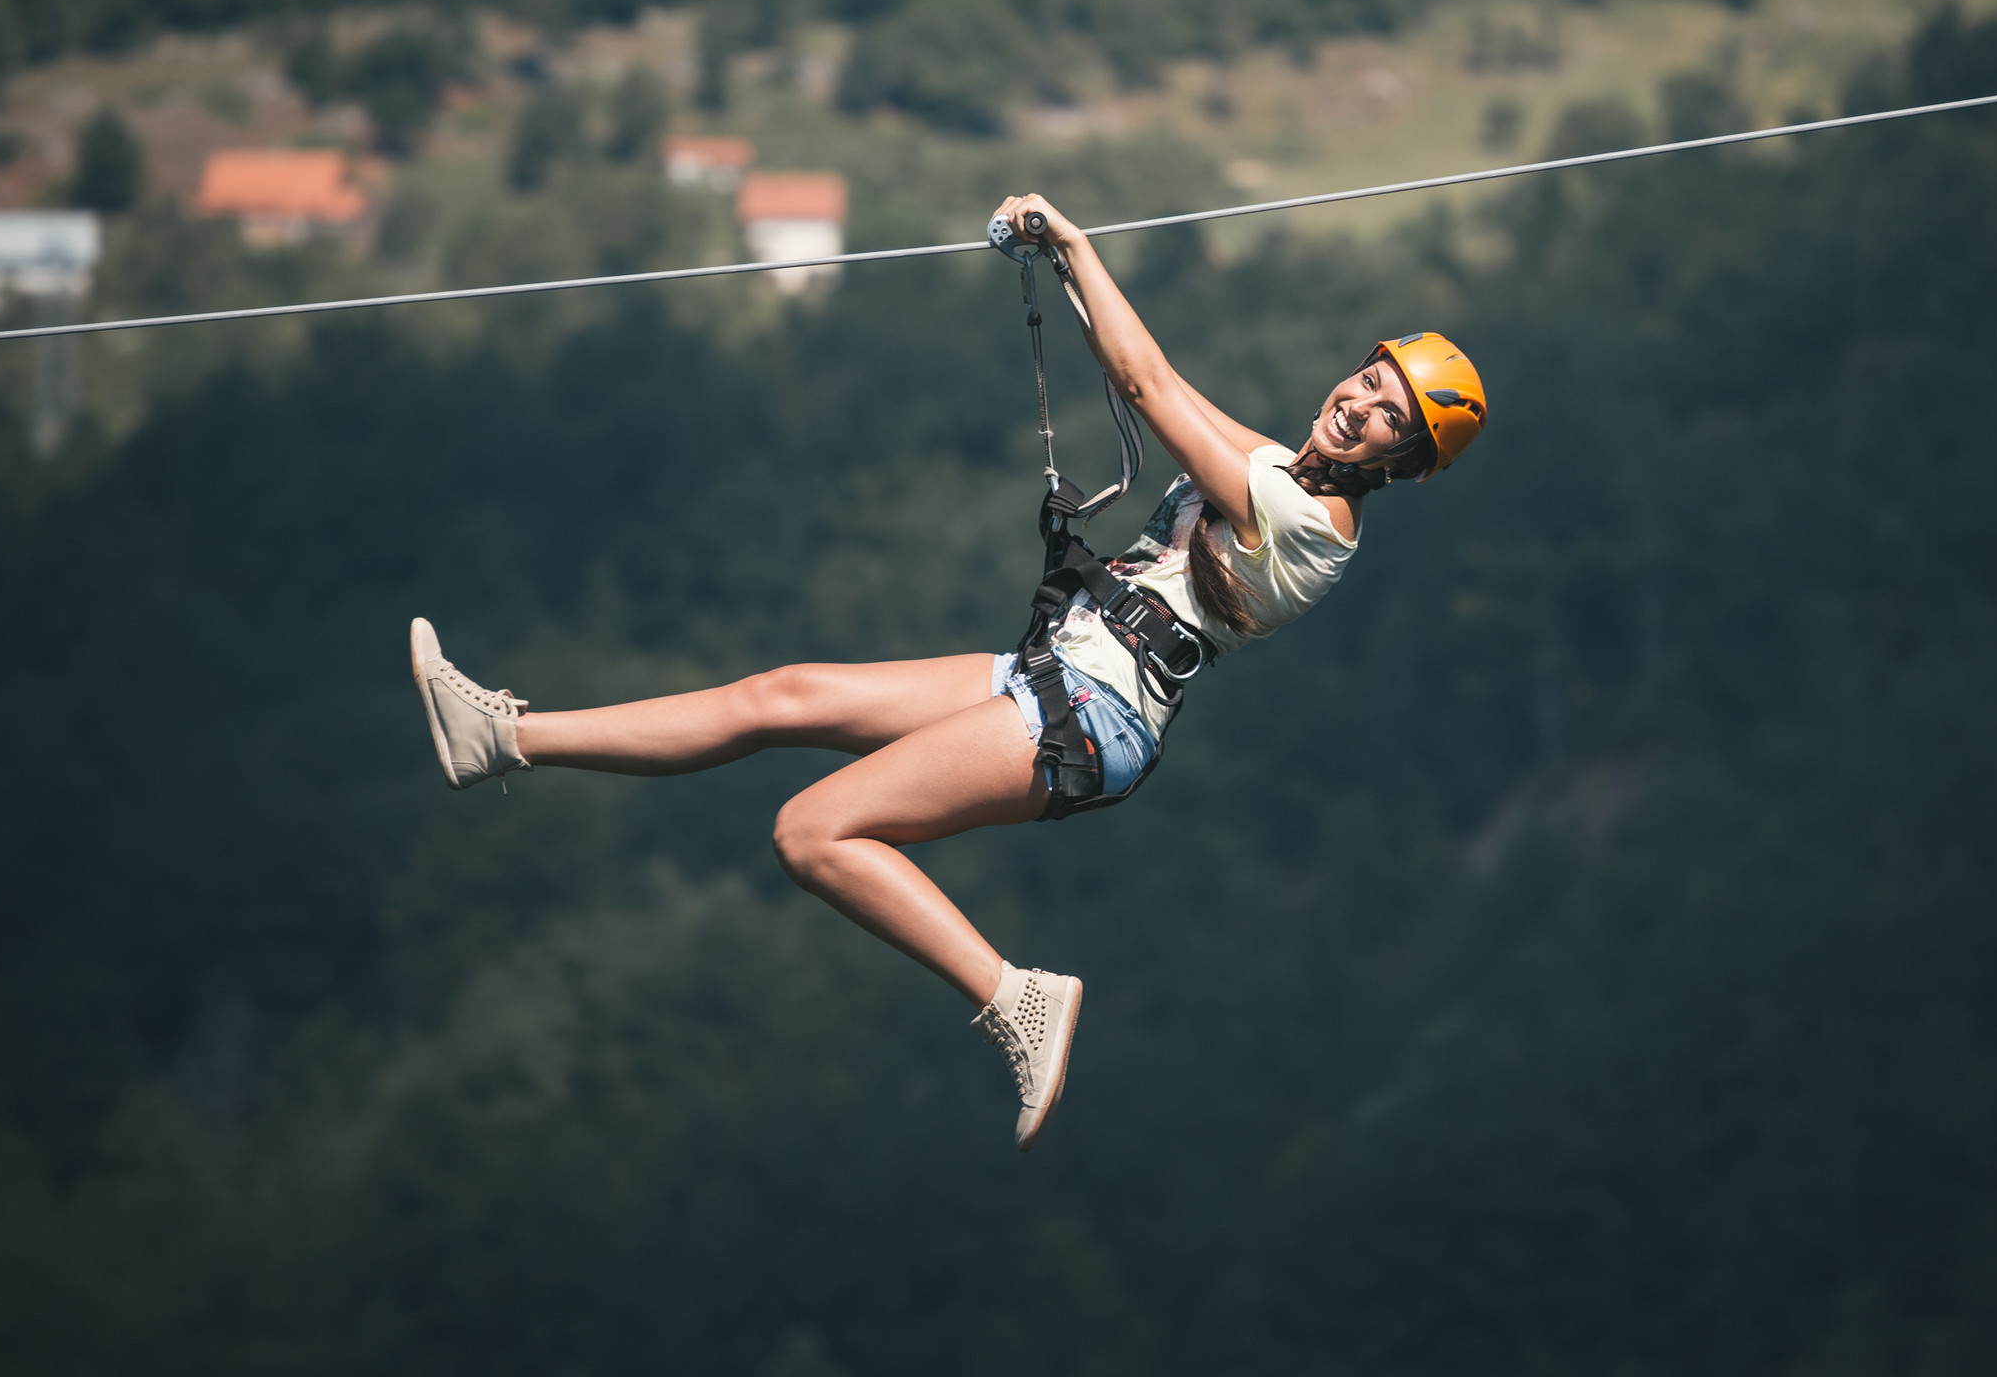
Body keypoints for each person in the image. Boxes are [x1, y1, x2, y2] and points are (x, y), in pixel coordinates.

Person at [407, 194, 1487, 1149]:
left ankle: (1014, 996)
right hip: (1057, 671)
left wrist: (1071, 238)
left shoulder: (1313, 520)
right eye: (1368, 376)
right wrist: (1058, 268)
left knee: (810, 830)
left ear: (1404, 460)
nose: (1359, 400)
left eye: (1389, 412)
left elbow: (1149, 384)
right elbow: (1174, 392)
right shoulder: (1278, 467)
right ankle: (502, 738)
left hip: (1090, 714)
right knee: (780, 693)